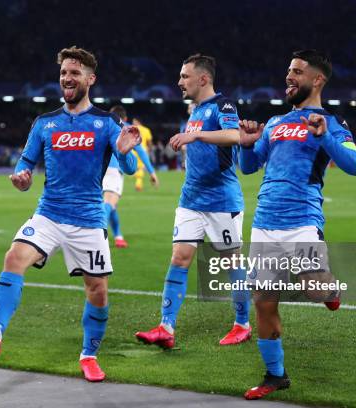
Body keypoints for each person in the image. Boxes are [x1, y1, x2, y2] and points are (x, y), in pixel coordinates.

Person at [0, 46, 140, 383]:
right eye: (63, 74)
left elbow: (127, 165)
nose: (67, 79)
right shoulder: (44, 123)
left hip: (87, 218)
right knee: (14, 257)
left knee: (97, 291)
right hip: (49, 213)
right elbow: (24, 166)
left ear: (90, 79)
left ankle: (89, 355)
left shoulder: (105, 122)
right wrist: (21, 180)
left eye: (74, 73)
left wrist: (127, 154)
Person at [238, 49, 356, 400]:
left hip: (302, 220)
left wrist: (323, 137)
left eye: (297, 72)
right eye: (288, 71)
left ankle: (332, 291)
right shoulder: (276, 122)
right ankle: (275, 376)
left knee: (314, 290)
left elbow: (354, 165)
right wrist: (247, 145)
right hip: (265, 222)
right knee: (263, 300)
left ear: (317, 80)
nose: (289, 77)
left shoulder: (332, 122)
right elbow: (249, 166)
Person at [135, 54, 252, 349]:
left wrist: (195, 136)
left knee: (231, 262)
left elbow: (234, 135)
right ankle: (166, 326)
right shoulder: (196, 110)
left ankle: (242, 324)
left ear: (203, 79)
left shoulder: (222, 105)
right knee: (179, 258)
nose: (179, 81)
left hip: (222, 200)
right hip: (191, 199)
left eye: (185, 76)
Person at [103, 105, 159, 248]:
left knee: (111, 205)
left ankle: (118, 236)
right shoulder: (129, 129)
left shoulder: (103, 125)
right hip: (114, 170)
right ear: (125, 118)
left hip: (98, 170)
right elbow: (141, 152)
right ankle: (96, 233)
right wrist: (152, 172)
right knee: (109, 203)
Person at [131, 117, 154, 191]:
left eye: (134, 121)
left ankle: (138, 183)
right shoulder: (146, 130)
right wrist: (150, 149)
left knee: (136, 168)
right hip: (143, 151)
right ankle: (138, 183)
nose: (133, 123)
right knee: (141, 168)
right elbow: (149, 141)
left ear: (138, 121)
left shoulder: (131, 129)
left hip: (133, 150)